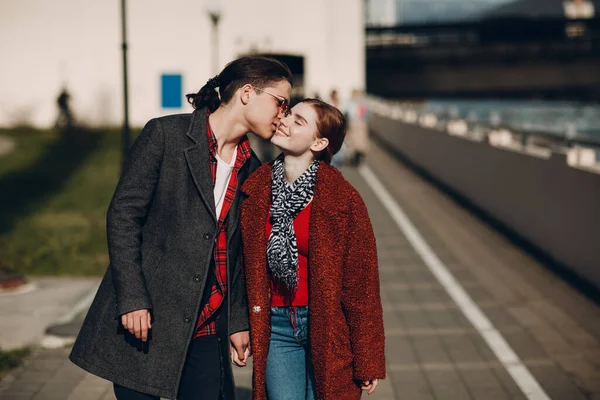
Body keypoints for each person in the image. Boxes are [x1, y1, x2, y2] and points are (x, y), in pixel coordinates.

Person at [69, 56, 293, 400]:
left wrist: (237, 321)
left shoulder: (252, 167)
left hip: (205, 323)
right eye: (280, 102)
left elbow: (240, 253)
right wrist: (131, 299)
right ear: (247, 93)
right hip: (147, 319)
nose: (283, 113)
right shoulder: (166, 136)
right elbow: (123, 217)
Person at [240, 99, 386, 399]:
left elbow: (362, 284)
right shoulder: (255, 189)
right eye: (288, 114)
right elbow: (242, 266)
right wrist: (238, 325)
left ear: (319, 142)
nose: (285, 121)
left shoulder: (343, 199)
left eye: (299, 121)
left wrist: (368, 357)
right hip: (276, 325)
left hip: (328, 324)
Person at [345, 89, 370, 166]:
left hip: (353, 123)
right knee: (360, 140)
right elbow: (368, 115)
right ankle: (358, 154)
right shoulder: (364, 102)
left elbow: (347, 113)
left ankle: (355, 157)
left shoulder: (351, 102)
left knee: (353, 140)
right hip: (362, 123)